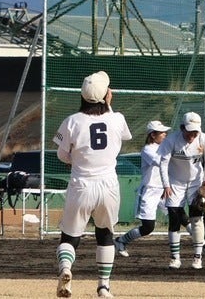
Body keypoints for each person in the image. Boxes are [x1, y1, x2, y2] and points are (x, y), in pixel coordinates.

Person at [53, 71, 131, 299]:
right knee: (105, 234)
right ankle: (103, 287)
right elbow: (122, 135)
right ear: (107, 94)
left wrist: (76, 159)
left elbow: (61, 154)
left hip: (81, 185)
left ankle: (66, 269)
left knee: (69, 237)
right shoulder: (117, 119)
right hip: (108, 185)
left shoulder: (72, 121)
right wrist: (109, 107)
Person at [156, 109, 205, 269]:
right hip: (175, 182)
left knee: (197, 219)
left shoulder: (204, 140)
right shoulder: (172, 140)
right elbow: (163, 163)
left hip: (196, 183)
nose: (192, 136)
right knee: (174, 218)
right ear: (182, 128)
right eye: (189, 131)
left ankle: (197, 258)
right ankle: (175, 258)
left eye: (195, 132)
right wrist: (166, 185)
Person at [113, 119, 169, 258]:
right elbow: (159, 162)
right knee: (148, 228)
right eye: (161, 133)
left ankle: (202, 245)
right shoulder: (147, 150)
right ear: (152, 135)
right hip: (149, 191)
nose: (165, 135)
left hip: (164, 190)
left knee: (181, 217)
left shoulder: (165, 148)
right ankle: (121, 241)